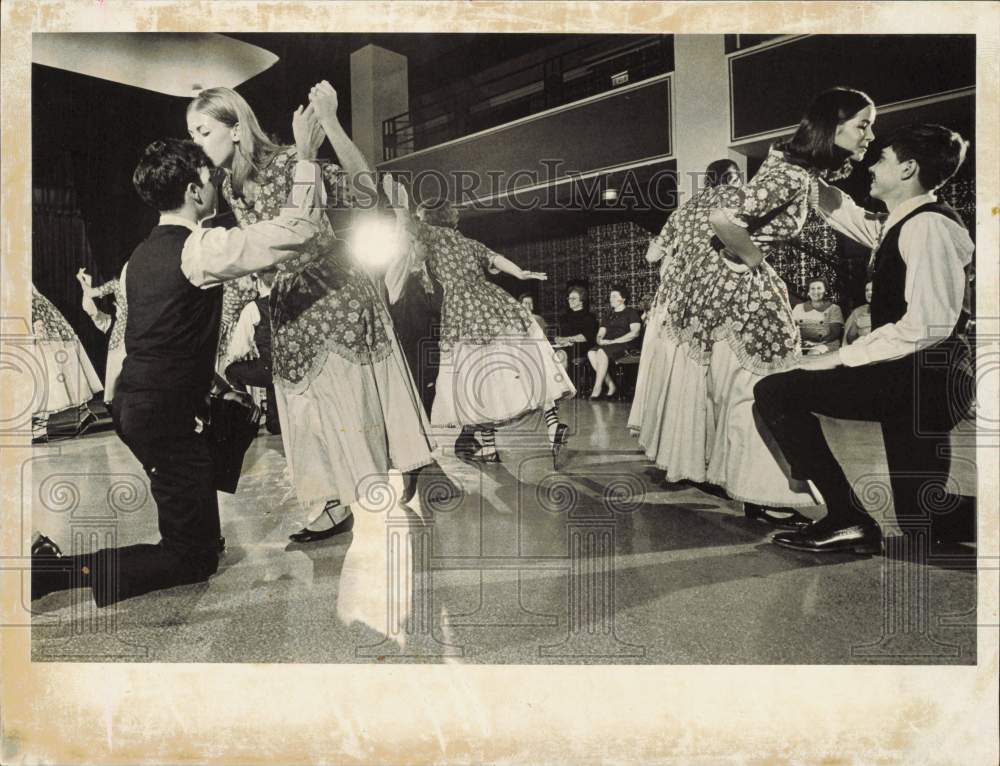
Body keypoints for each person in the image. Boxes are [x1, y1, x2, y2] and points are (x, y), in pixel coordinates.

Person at [31, 115, 329, 605]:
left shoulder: (137, 260)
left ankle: (190, 525)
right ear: (195, 191)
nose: (215, 184)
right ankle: (55, 571)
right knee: (192, 559)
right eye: (210, 178)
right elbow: (295, 231)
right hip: (163, 416)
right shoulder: (201, 249)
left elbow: (132, 340)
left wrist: (205, 386)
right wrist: (306, 159)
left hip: (138, 407)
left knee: (202, 528)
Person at [187, 83, 435, 543]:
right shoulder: (226, 185)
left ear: (236, 128)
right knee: (303, 412)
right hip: (287, 303)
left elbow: (366, 194)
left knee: (347, 397)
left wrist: (333, 123)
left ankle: (389, 470)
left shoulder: (289, 160)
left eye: (203, 131)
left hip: (335, 296)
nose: (198, 143)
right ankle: (329, 505)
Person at [629, 87, 876, 525]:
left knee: (746, 392)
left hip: (715, 294)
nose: (870, 135)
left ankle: (760, 492)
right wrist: (758, 265)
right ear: (832, 127)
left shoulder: (795, 172)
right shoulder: (789, 176)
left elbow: (843, 210)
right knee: (759, 391)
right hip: (743, 295)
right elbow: (724, 221)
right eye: (863, 124)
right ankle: (767, 495)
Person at [754, 124, 974, 554]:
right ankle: (849, 519)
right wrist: (797, 164)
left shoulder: (927, 227)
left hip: (929, 383)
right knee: (922, 520)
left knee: (777, 390)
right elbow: (842, 210)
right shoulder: (900, 222)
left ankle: (845, 518)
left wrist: (836, 358)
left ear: (908, 168)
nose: (871, 166)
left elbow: (927, 324)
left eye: (883, 159)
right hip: (906, 381)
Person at [388, 187, 575, 464]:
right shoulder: (469, 242)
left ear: (428, 218)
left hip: (463, 310)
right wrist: (520, 273)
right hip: (494, 301)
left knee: (478, 378)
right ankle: (552, 425)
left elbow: (408, 226)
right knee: (523, 363)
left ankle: (488, 447)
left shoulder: (430, 233)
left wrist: (397, 204)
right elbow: (495, 259)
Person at [630, 158, 743, 444]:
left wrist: (672, 250)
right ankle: (714, 444)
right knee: (716, 373)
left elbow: (651, 256)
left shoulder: (685, 209)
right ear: (730, 179)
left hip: (677, 299)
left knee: (681, 373)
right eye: (736, 178)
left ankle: (676, 441)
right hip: (718, 292)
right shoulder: (735, 198)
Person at [30, 284, 104, 439]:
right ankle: (84, 412)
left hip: (35, 314)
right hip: (38, 311)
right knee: (51, 364)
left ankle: (39, 428)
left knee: (44, 366)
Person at [223, 268, 281, 434]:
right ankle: (274, 419)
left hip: (269, 369)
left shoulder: (253, 308)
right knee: (272, 375)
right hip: (288, 367)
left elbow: (239, 348)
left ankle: (247, 416)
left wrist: (229, 361)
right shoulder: (289, 303)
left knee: (232, 371)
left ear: (259, 281)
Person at [77, 264, 127, 403]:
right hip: (135, 331)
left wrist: (83, 281)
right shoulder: (136, 283)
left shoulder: (116, 283)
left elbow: (90, 297)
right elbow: (89, 307)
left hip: (121, 334)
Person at [587, 286, 642, 399]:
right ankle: (611, 385)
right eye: (610, 296)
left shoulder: (631, 312)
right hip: (609, 344)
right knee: (591, 353)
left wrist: (613, 341)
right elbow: (600, 333)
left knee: (601, 352)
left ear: (623, 299)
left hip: (625, 344)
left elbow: (635, 333)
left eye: (614, 296)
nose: (611, 299)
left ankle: (597, 387)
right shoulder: (608, 315)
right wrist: (600, 340)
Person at [553, 286, 599, 386]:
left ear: (581, 300)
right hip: (565, 346)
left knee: (560, 356)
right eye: (569, 298)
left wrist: (568, 339)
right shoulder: (563, 317)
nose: (570, 301)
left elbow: (586, 337)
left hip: (581, 347)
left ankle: (564, 387)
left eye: (573, 298)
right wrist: (558, 339)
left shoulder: (589, 317)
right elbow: (558, 335)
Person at [792, 276, 844, 354]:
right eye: (812, 289)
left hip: (827, 344)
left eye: (819, 288)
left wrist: (816, 343)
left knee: (813, 354)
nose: (816, 292)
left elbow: (835, 333)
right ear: (808, 292)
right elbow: (791, 327)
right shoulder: (798, 308)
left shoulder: (833, 308)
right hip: (803, 345)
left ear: (825, 291)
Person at [843, 280, 874, 344]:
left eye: (873, 290)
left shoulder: (888, 312)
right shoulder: (858, 311)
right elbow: (849, 340)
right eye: (867, 290)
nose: (869, 293)